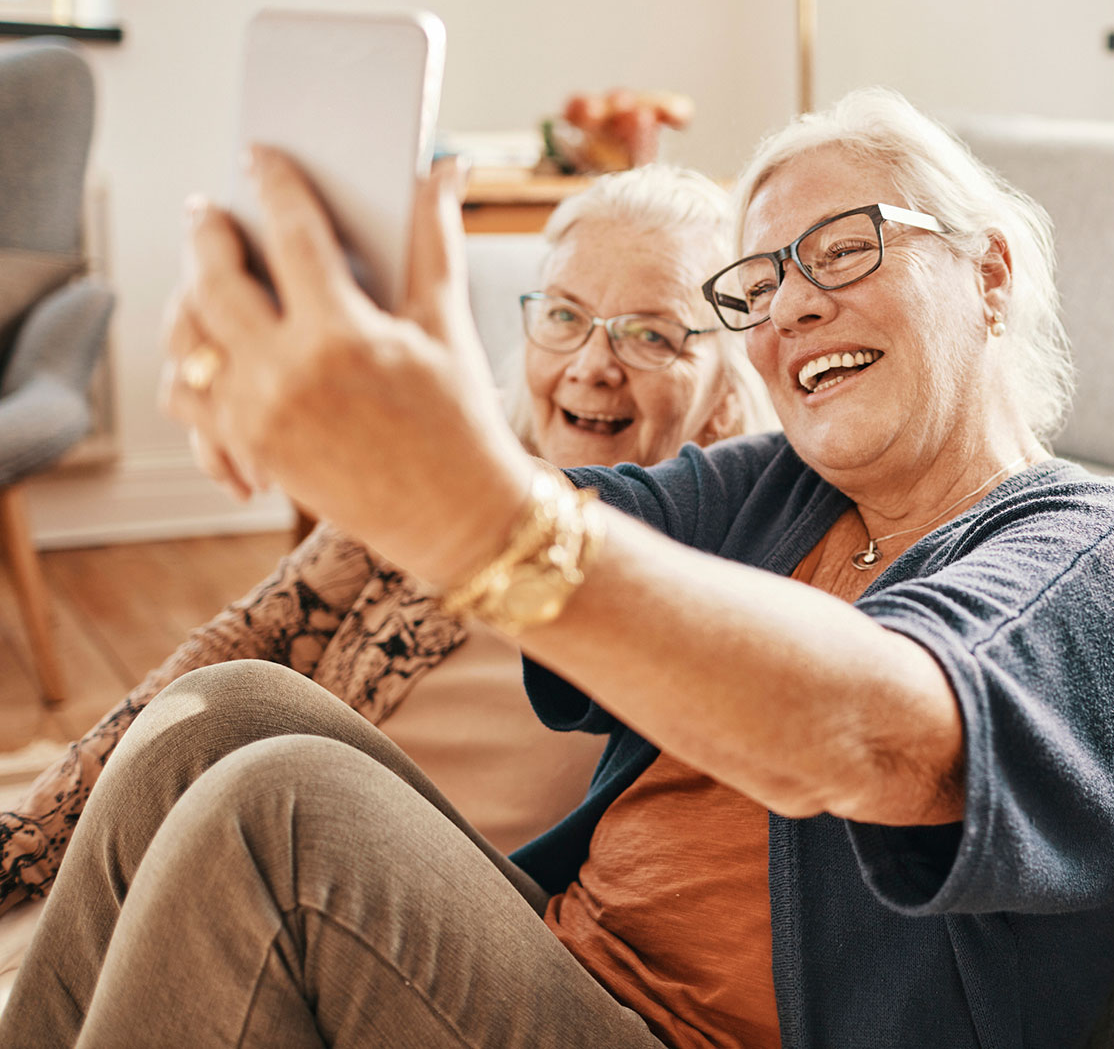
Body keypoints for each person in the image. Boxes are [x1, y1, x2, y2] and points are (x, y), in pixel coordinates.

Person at [0, 88, 1114, 1049]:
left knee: (281, 820)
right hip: (558, 972)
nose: (790, 309)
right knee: (227, 715)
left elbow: (868, 732)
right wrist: (399, 403)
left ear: (987, 275)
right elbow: (546, 504)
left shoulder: (1092, 548)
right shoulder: (782, 490)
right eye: (759, 284)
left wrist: (476, 512)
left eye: (840, 251)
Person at [0, 163, 771, 915]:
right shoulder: (436, 479)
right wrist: (27, 842)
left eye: (651, 335)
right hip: (245, 845)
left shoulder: (721, 580)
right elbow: (239, 645)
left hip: (407, 939)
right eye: (566, 316)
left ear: (724, 392)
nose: (593, 365)